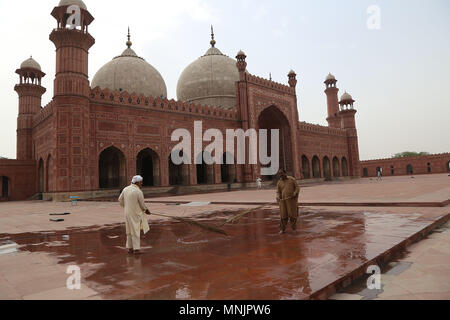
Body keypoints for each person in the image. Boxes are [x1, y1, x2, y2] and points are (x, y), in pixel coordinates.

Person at [119, 175, 152, 254]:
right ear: (137, 182)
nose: (141, 184)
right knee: (135, 231)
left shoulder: (125, 189)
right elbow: (142, 204)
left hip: (127, 213)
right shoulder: (138, 191)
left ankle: (130, 248)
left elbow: (120, 199)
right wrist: (146, 210)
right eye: (141, 183)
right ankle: (136, 249)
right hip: (135, 214)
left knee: (129, 230)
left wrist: (125, 206)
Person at [276, 169, 300, 234]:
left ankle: (294, 228)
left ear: (285, 173)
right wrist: (278, 196)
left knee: (292, 215)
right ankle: (283, 229)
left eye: (281, 173)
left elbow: (297, 188)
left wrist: (295, 193)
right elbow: (278, 192)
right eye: (279, 174)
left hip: (291, 201)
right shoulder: (279, 182)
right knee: (283, 216)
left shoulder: (292, 179)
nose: (280, 175)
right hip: (283, 202)